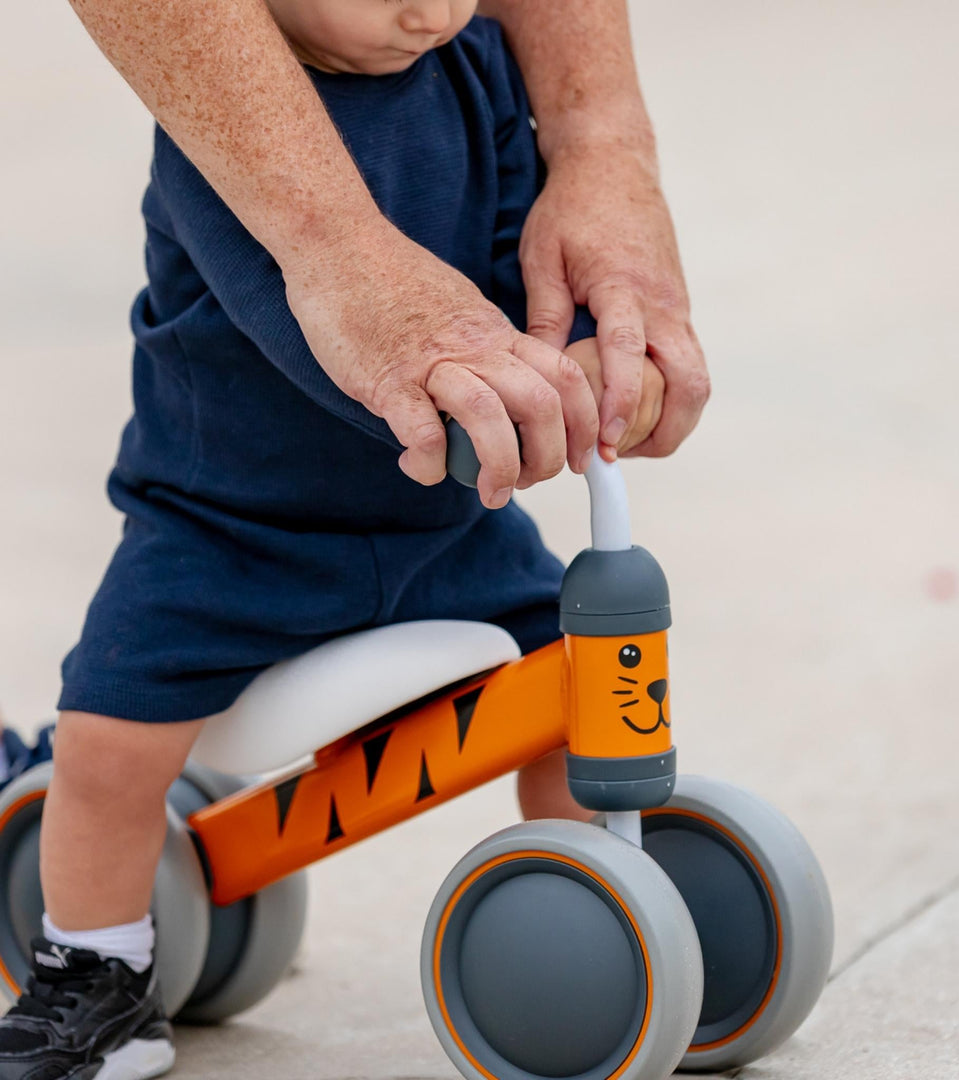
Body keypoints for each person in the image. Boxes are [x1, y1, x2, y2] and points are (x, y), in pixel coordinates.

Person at [0, 2, 707, 1078]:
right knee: (109, 743)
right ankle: (92, 972)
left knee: (569, 689)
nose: (428, 8)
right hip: (231, 530)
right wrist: (490, 404)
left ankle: (608, 892)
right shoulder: (239, 131)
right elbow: (316, 333)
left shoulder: (466, 68)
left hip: (441, 524)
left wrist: (604, 357)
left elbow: (523, 271)